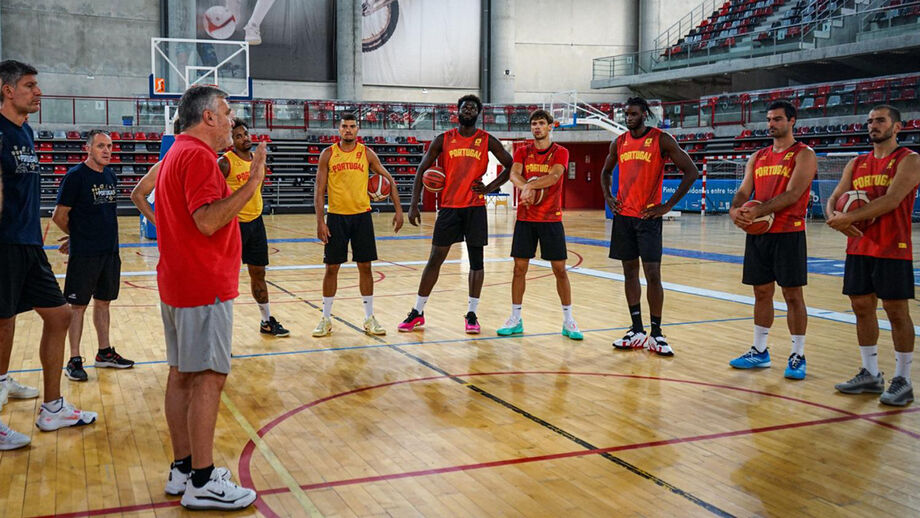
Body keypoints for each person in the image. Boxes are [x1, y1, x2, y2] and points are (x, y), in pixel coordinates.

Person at [156, 85, 260, 510]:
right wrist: (252, 182)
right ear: (208, 118)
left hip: (179, 281)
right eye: (227, 111)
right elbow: (207, 221)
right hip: (204, 283)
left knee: (181, 374)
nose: (233, 119)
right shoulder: (198, 156)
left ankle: (183, 468)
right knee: (209, 377)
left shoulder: (175, 153)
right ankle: (202, 480)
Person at [0, 60, 96, 451]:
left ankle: (52, 406)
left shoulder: (26, 131)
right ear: (7, 90)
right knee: (3, 327)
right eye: (29, 85)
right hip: (4, 243)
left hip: (27, 243)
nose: (37, 91)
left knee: (59, 316)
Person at [827, 105, 920, 406]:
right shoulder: (856, 163)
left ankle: (903, 379)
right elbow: (834, 197)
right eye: (869, 121)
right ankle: (870, 373)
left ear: (897, 127)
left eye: (880, 120)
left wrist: (847, 218)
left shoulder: (909, 160)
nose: (873, 126)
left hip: (893, 246)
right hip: (858, 247)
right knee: (861, 307)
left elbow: (893, 200)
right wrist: (833, 217)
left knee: (896, 311)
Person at [399, 94, 514, 333]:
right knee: (435, 259)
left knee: (476, 262)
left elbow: (511, 164)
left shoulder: (486, 140)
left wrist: (491, 187)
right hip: (450, 207)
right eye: (465, 107)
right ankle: (417, 311)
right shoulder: (444, 139)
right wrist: (413, 203)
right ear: (458, 111)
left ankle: (472, 314)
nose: (469, 110)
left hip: (474, 207)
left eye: (473, 107)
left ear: (478, 113)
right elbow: (422, 168)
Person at [600, 97, 699, 356]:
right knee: (629, 274)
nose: (628, 117)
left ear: (645, 114)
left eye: (633, 113)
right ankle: (637, 330)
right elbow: (605, 172)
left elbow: (691, 171)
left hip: (648, 218)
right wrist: (610, 198)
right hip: (624, 218)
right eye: (626, 114)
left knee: (653, 275)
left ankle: (656, 333)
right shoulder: (618, 142)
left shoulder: (661, 139)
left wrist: (667, 206)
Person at [727, 100, 817, 380]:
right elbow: (744, 191)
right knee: (761, 293)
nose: (771, 124)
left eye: (777, 119)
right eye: (769, 119)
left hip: (789, 233)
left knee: (792, 295)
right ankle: (760, 350)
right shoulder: (758, 156)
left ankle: (798, 354)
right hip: (760, 234)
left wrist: (757, 211)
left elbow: (793, 194)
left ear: (792, 121)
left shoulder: (804, 154)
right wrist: (734, 211)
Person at [52, 130, 134, 382]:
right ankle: (74, 359)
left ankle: (104, 352)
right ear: (88, 148)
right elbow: (59, 215)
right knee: (77, 307)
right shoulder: (76, 177)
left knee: (104, 302)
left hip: (109, 252)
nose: (107, 150)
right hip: (85, 255)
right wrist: (78, 237)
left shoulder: (110, 175)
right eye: (101, 146)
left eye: (109, 146)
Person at [313, 112, 404, 336]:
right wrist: (320, 221)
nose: (348, 130)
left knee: (366, 267)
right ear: (339, 129)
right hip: (336, 217)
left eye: (352, 126)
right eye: (345, 126)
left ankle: (369, 317)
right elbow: (319, 190)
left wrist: (399, 210)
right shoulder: (328, 154)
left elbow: (389, 179)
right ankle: (325, 318)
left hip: (362, 216)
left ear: (358, 129)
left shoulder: (366, 153)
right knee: (331, 268)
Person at [498, 109, 582, 340]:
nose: (537, 127)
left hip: (551, 219)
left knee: (560, 270)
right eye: (534, 124)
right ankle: (515, 319)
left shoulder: (560, 152)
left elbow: (555, 177)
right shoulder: (522, 151)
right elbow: (513, 175)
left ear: (550, 126)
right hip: (525, 219)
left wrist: (529, 187)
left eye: (541, 123)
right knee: (519, 269)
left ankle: (569, 320)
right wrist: (526, 185)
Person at [218, 118, 289, 337]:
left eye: (245, 134)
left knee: (259, 273)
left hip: (256, 223)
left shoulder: (257, 160)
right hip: (232, 225)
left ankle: (266, 321)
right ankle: (219, 331)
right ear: (231, 140)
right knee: (224, 279)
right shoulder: (225, 162)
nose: (244, 138)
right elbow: (215, 193)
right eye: (238, 136)